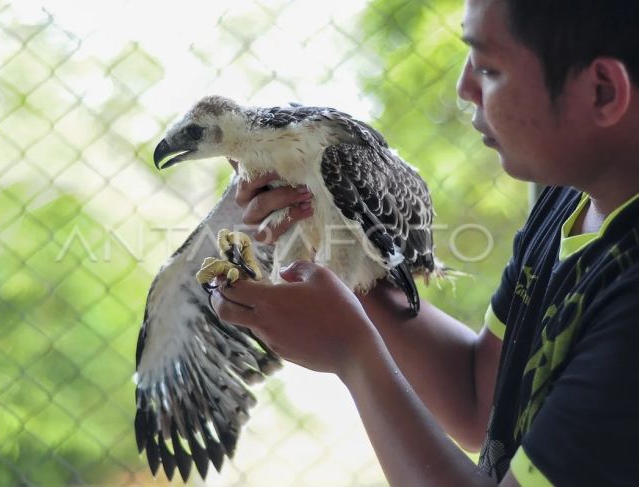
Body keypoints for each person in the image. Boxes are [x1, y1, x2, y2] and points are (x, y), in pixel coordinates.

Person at [211, 0, 639, 484]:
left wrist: (353, 354)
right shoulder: (571, 195)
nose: (465, 87)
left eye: (489, 68)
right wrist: (332, 241)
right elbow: (480, 400)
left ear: (602, 91)